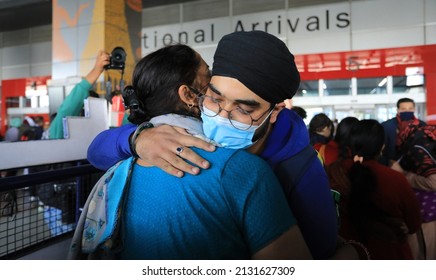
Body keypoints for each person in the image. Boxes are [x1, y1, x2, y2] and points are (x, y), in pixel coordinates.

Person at [87, 31, 344, 259]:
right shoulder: (167, 134)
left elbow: (318, 252)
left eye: (243, 109)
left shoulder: (299, 167)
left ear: (274, 112)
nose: (221, 116)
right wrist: (137, 139)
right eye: (214, 97)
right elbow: (96, 150)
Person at [326, 119, 422, 259]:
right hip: (390, 254)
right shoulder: (395, 178)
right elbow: (414, 224)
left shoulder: (331, 173)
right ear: (382, 147)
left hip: (348, 253)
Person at [392, 122, 436, 259]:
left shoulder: (418, 149)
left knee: (424, 251)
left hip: (427, 212)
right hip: (426, 211)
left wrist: (405, 175)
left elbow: (434, 182)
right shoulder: (424, 145)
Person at [48, 50, 110, 139]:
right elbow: (67, 111)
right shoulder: (62, 131)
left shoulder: (103, 134)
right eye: (85, 107)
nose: (88, 113)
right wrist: (97, 70)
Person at [380, 97, 426, 166]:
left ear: (414, 109)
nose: (407, 111)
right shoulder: (386, 126)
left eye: (410, 109)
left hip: (416, 165)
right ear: (398, 110)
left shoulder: (422, 125)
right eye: (403, 109)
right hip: (392, 165)